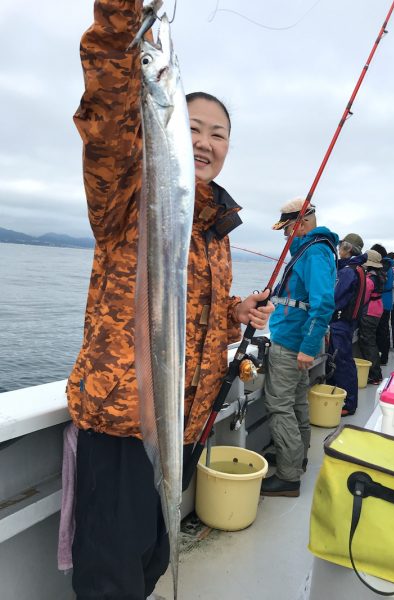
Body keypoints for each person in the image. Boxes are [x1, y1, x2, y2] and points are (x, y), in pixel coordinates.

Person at [65, 3, 273, 598]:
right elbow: (105, 111)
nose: (204, 142)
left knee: (153, 559)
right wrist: (125, 22)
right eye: (194, 127)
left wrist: (235, 311)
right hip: (123, 425)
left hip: (182, 422)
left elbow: (182, 306)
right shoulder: (126, 195)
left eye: (218, 133)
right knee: (112, 579)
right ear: (164, 119)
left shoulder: (211, 224)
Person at [261, 199, 338, 497]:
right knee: (296, 403)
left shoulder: (315, 252)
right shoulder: (315, 250)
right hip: (297, 340)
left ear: (301, 224)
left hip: (292, 341)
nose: (285, 237)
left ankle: (288, 476)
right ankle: (295, 458)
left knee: (280, 406)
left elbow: (323, 303)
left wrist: (307, 347)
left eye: (287, 230)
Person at [327, 233, 367, 416]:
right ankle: (346, 399)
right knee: (344, 362)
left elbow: (335, 297)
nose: (339, 248)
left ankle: (348, 403)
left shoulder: (348, 271)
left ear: (348, 248)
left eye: (341, 245)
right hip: (348, 322)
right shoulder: (358, 269)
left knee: (342, 362)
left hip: (340, 323)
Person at [358, 249, 385, 385]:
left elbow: (363, 298)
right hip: (377, 309)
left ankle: (375, 375)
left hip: (369, 312)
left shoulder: (370, 279)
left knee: (368, 342)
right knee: (371, 341)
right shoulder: (380, 275)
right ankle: (376, 373)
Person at [372, 244, 394, 366]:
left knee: (381, 331)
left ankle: (382, 357)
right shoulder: (389, 265)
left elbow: (381, 283)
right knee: (384, 330)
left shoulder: (384, 266)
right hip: (387, 301)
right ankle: (384, 356)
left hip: (382, 301)